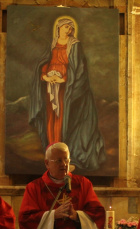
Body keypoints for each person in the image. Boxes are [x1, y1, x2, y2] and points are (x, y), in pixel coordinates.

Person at [28, 17, 106, 172]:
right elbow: (44, 64)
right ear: (58, 28)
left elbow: (79, 68)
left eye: (70, 28)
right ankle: (52, 153)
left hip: (67, 90)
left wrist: (63, 78)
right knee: (51, 118)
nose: (68, 30)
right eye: (65, 27)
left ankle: (64, 155)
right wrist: (45, 76)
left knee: (64, 119)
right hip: (51, 87)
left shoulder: (75, 45)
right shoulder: (52, 44)